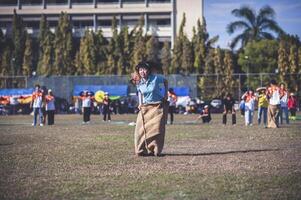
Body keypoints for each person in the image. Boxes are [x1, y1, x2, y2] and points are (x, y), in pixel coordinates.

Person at [131, 61, 168, 156]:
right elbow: (139, 92)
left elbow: (165, 81)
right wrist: (140, 103)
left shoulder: (156, 78)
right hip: (146, 106)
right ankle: (140, 150)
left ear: (148, 70)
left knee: (157, 129)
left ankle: (154, 150)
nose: (142, 72)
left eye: (144, 69)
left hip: (158, 106)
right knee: (140, 128)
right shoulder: (138, 81)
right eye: (140, 70)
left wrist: (166, 94)